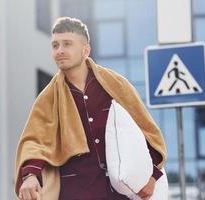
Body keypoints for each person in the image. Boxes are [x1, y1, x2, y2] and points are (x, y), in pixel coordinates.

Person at [15, 17, 167, 200]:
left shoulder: (116, 86)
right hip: (75, 193)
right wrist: (30, 176)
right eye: (55, 46)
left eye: (67, 44)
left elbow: (146, 132)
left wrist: (152, 177)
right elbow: (35, 141)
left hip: (121, 195)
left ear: (85, 50)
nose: (60, 51)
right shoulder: (47, 99)